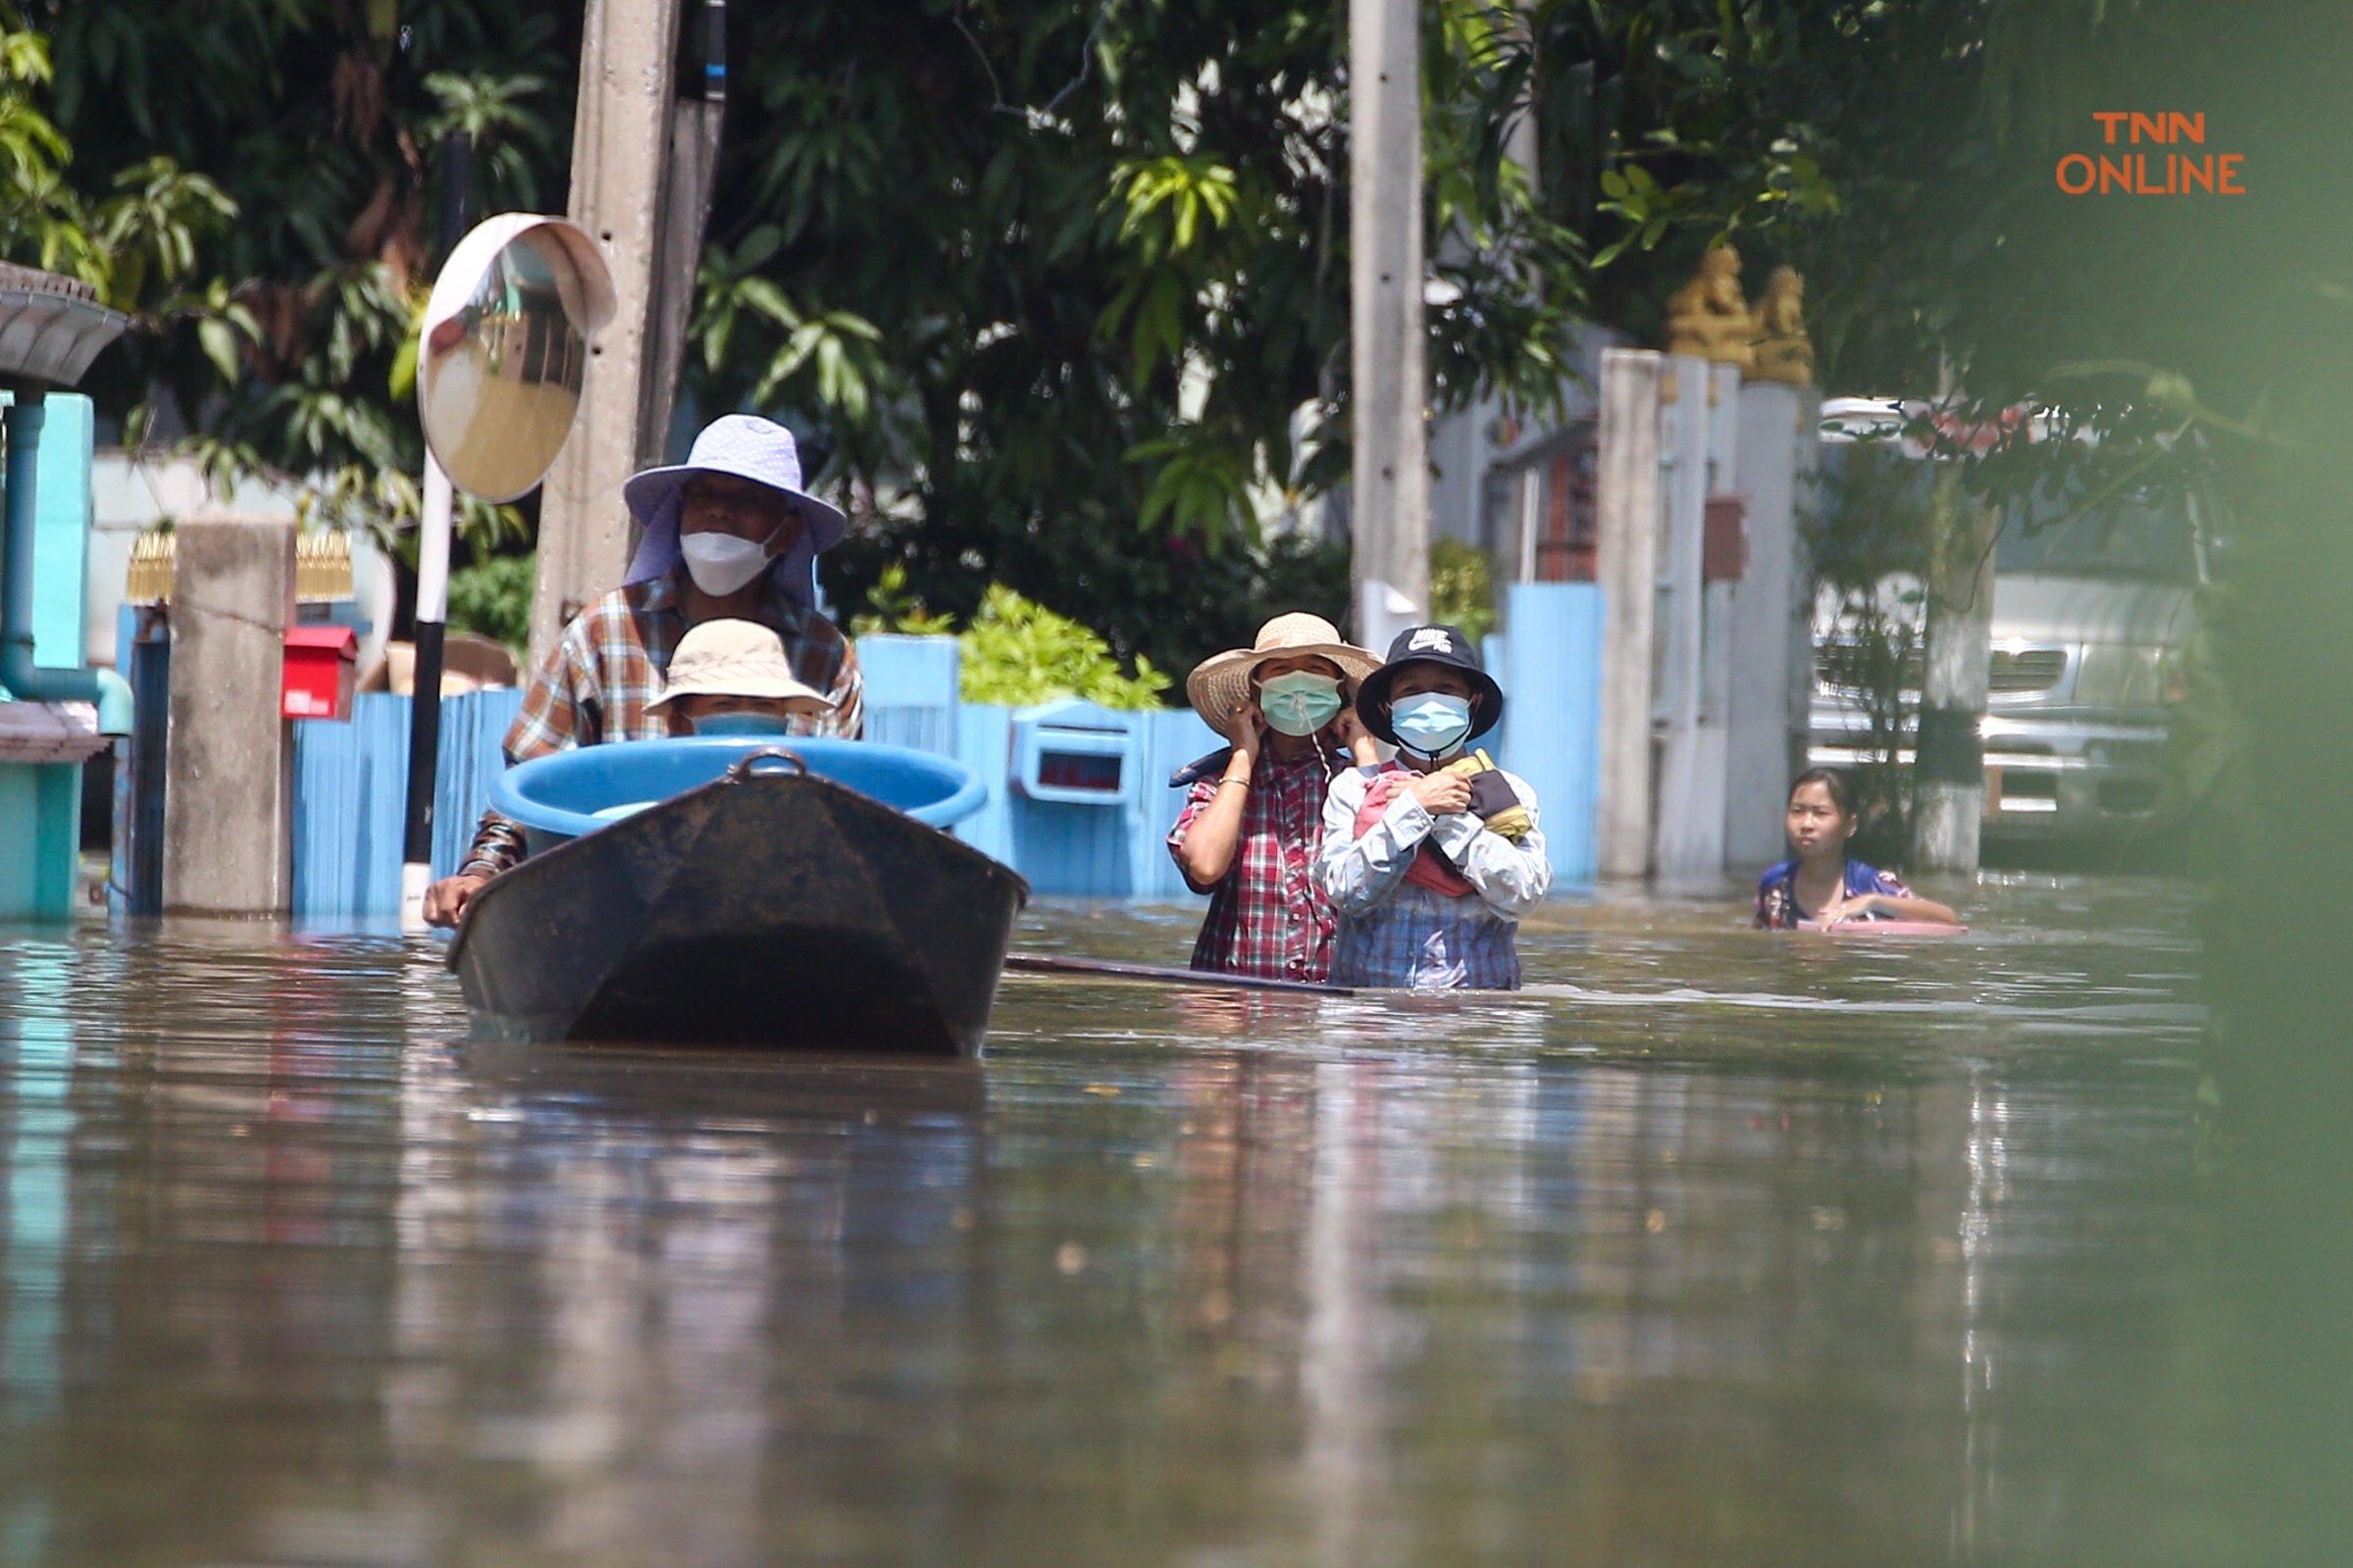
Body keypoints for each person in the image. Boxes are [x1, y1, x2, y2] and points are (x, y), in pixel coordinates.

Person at [423, 414, 862, 927]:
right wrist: (480, 875)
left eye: (747, 500)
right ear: (679, 512)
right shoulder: (605, 633)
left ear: (787, 532)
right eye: (703, 494)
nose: (719, 511)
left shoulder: (824, 657)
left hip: (773, 919)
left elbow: (843, 811)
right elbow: (530, 786)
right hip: (611, 910)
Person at [1314, 624, 1552, 988]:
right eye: (1411, 690)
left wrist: (1447, 816)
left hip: (1474, 1019)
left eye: (1445, 689)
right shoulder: (1354, 788)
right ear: (1387, 707)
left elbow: (1524, 894)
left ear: (1472, 703)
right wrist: (1414, 808)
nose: (1429, 701)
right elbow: (1346, 893)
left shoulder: (1510, 794)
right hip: (1370, 1018)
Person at [1167, 614, 1382, 983]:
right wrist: (1242, 755)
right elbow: (1203, 868)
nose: (1298, 682)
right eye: (1281, 670)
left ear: (1338, 690)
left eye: (1315, 669)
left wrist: (1365, 751)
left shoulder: (1356, 780)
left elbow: (1392, 864)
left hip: (1337, 1011)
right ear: (1256, 692)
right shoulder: (1219, 784)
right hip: (1232, 1008)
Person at [1754, 769, 1960, 929]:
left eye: (1820, 813)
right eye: (1797, 811)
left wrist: (1873, 902)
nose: (1807, 824)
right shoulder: (1776, 882)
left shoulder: (1871, 884)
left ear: (1850, 825)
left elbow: (1948, 918)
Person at [649, 619, 837, 735]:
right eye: (725, 705)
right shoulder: (652, 787)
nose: (748, 714)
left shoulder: (804, 790)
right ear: (678, 723)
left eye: (765, 705)